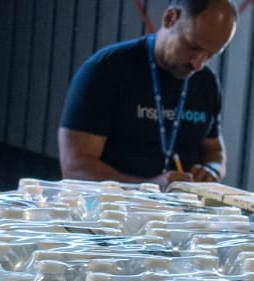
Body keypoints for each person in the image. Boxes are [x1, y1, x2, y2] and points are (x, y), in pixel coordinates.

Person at [59, 0, 237, 187]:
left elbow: (215, 153)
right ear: (170, 18)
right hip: (111, 209)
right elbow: (75, 168)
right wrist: (147, 187)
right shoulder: (106, 70)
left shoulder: (206, 82)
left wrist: (212, 170)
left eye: (211, 55)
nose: (198, 64)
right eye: (193, 47)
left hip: (178, 211)